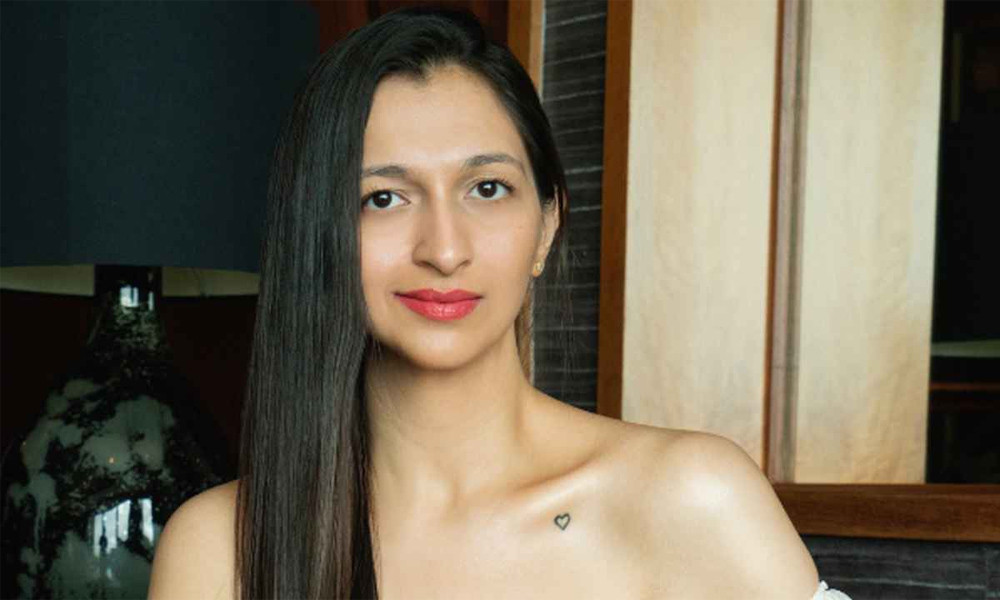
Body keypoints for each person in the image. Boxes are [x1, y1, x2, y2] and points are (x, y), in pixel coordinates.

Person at [148, 7, 852, 600]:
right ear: (317, 236)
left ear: (546, 225)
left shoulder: (689, 499)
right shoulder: (219, 548)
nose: (444, 249)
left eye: (487, 189)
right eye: (383, 198)